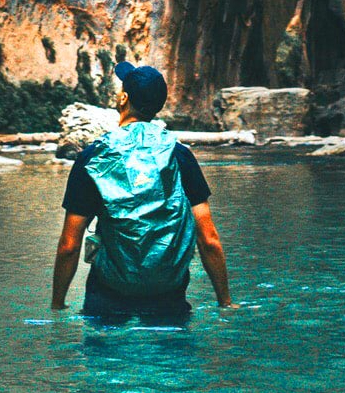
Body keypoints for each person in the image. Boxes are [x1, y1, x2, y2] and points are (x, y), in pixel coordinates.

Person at [50, 60, 232, 323]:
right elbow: (209, 239)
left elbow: (69, 245)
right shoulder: (180, 156)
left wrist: (58, 305)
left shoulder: (94, 157)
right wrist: (225, 303)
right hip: (168, 296)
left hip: (108, 296)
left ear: (123, 98)